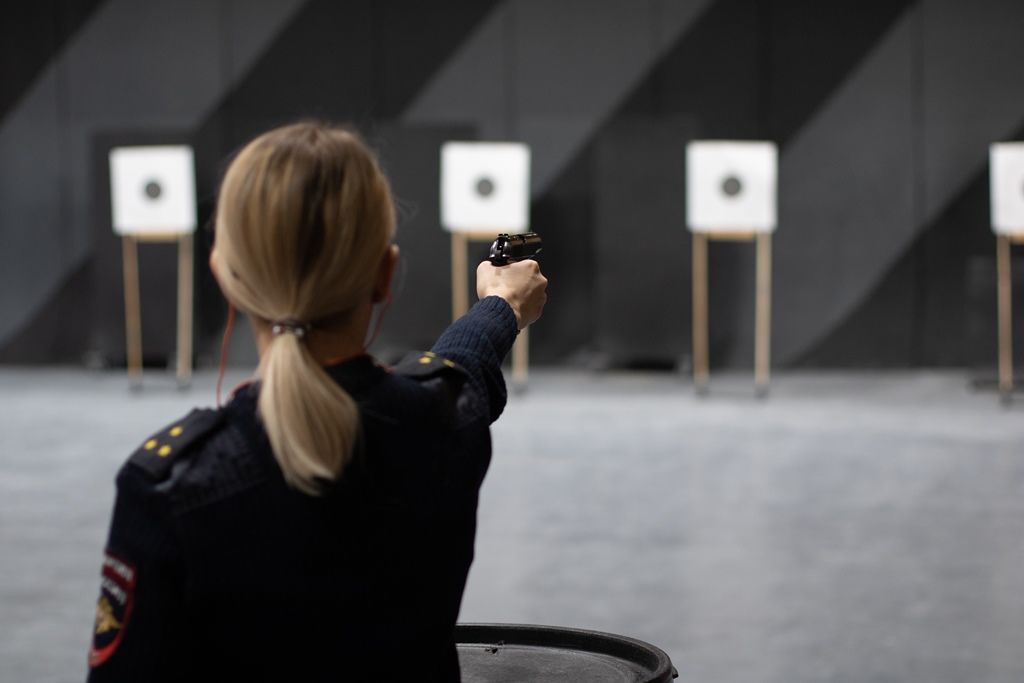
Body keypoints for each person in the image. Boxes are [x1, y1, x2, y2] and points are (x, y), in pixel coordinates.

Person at [86, 121, 547, 682]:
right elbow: (461, 366)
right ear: (385, 274)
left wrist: (498, 309)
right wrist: (501, 304)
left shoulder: (168, 488)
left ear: (225, 277)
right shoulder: (447, 421)